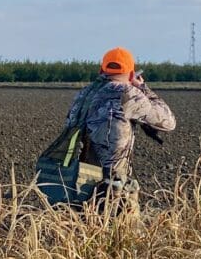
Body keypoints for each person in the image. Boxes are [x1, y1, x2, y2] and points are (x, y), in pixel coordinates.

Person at [63, 47, 176, 211]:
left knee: (85, 229)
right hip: (114, 186)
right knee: (123, 232)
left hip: (82, 180)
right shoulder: (128, 93)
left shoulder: (85, 93)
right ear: (131, 75)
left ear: (102, 70)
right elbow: (168, 122)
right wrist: (143, 88)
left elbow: (69, 124)